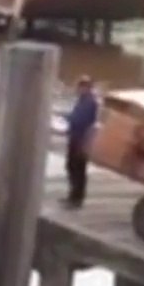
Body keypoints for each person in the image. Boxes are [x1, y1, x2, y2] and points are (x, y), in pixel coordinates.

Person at [64, 76, 99, 209]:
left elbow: (80, 119)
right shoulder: (83, 100)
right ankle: (73, 195)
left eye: (80, 87)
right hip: (76, 137)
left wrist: (69, 119)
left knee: (77, 167)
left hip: (82, 139)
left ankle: (76, 197)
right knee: (72, 166)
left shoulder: (89, 102)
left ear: (86, 87)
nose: (78, 89)